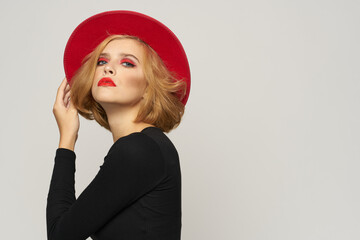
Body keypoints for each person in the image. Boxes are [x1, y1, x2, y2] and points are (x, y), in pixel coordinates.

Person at [46, 10, 191, 240]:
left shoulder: (138, 150)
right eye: (102, 61)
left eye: (127, 63)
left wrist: (66, 140)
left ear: (148, 87)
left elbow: (60, 235)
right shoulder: (147, 146)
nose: (108, 68)